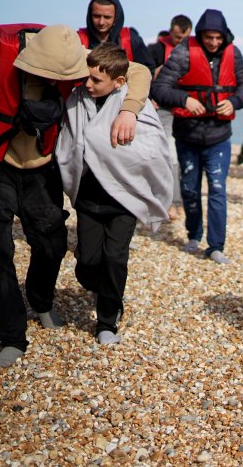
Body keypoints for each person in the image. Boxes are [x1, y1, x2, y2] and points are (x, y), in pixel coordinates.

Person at [0, 24, 149, 367]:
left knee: (51, 241)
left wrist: (129, 108)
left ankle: (40, 301)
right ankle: (10, 336)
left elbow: (138, 70)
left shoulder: (76, 51)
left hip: (40, 164)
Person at [57, 44, 172, 345]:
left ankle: (107, 320)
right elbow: (68, 144)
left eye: (96, 80)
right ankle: (106, 288)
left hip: (124, 197)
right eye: (88, 78)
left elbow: (154, 149)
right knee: (88, 265)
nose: (88, 84)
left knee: (115, 257)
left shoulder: (135, 106)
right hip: (89, 197)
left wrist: (152, 191)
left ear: (119, 82)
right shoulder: (77, 101)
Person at [151, 9, 243, 264]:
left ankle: (216, 246)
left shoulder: (234, 53)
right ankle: (193, 235)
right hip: (188, 134)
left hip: (219, 136)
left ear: (225, 36)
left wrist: (234, 102)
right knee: (190, 189)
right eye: (209, 37)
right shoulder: (184, 52)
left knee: (218, 189)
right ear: (201, 34)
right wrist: (185, 98)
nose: (214, 43)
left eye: (218, 38)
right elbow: (159, 88)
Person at [148, 14, 193, 221]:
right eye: (176, 38)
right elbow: (141, 75)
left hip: (189, 111)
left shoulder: (196, 51)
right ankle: (170, 202)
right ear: (170, 32)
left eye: (184, 38)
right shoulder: (155, 51)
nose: (180, 42)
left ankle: (182, 202)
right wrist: (150, 96)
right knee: (170, 157)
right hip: (164, 110)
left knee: (187, 159)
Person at [78, 0, 155, 70]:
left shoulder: (131, 40)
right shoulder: (78, 40)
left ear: (116, 17)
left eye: (107, 17)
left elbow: (147, 70)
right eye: (96, 16)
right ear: (90, 16)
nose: (101, 22)